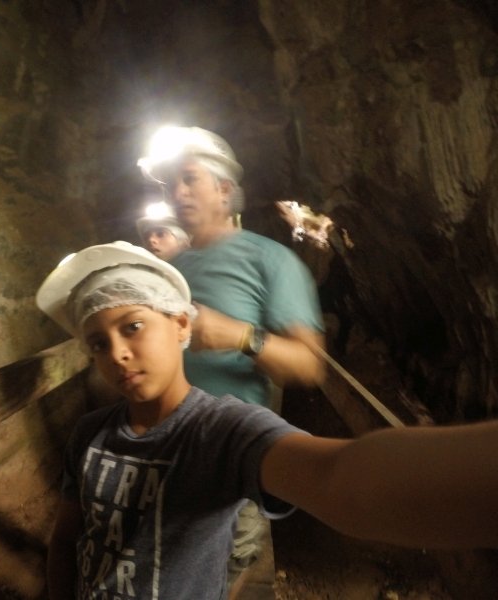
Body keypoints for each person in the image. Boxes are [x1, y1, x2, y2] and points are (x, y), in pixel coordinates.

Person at [36, 241, 498, 600]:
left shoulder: (221, 431)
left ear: (181, 326)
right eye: (98, 343)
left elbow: (344, 480)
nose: (117, 352)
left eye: (133, 326)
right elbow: (68, 540)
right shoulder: (90, 434)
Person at [138, 126, 327, 594]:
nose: (177, 193)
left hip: (232, 453)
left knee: (229, 562)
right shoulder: (171, 271)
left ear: (224, 189)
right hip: (165, 446)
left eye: (189, 179)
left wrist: (239, 335)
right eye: (169, 184)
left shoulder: (271, 260)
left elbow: (309, 365)